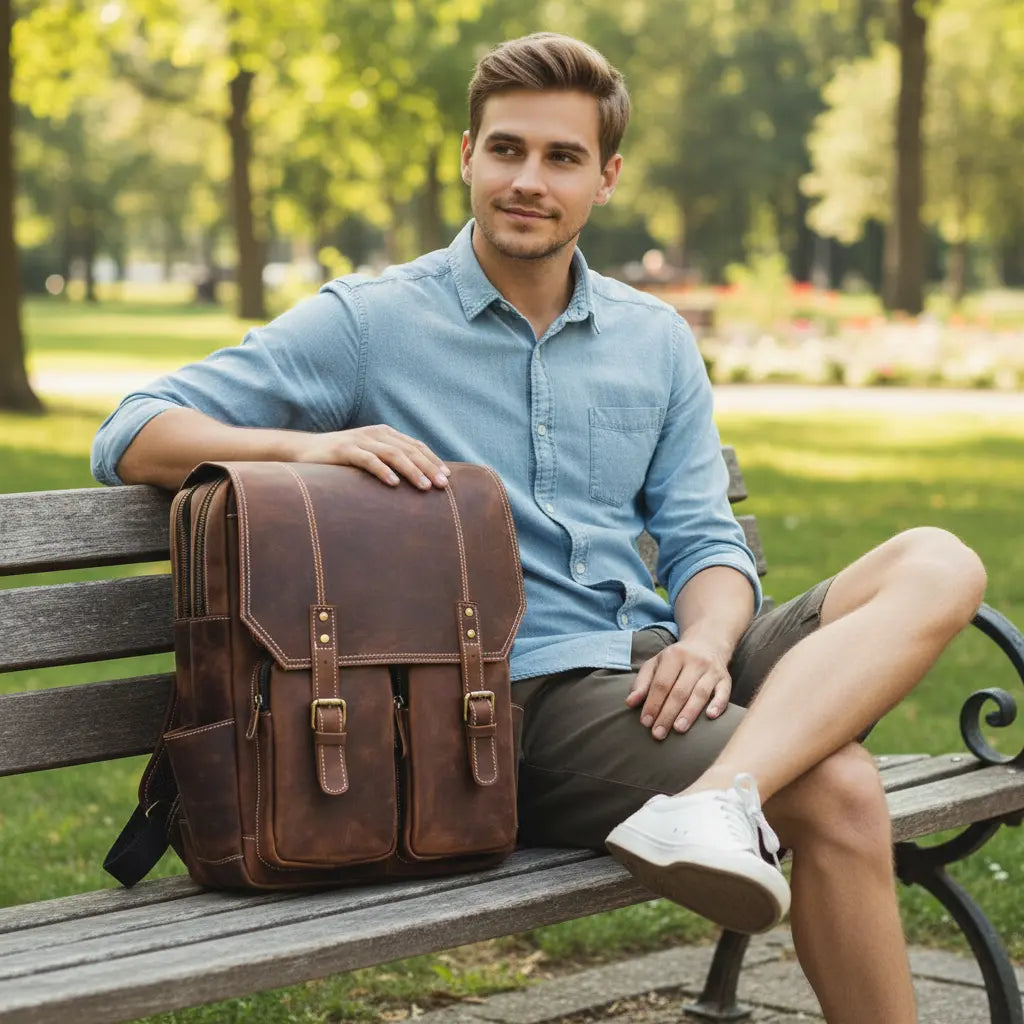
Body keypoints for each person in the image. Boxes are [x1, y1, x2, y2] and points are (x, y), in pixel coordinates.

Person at [91, 33, 986, 1023]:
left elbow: (701, 539)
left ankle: (718, 795)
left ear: (604, 179)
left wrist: (705, 640)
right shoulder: (369, 322)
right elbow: (132, 430)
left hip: (665, 660)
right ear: (465, 154)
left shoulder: (651, 339)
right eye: (507, 149)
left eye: (561, 158)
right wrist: (303, 450)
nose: (528, 179)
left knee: (939, 560)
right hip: (521, 695)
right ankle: (729, 796)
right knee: (839, 789)